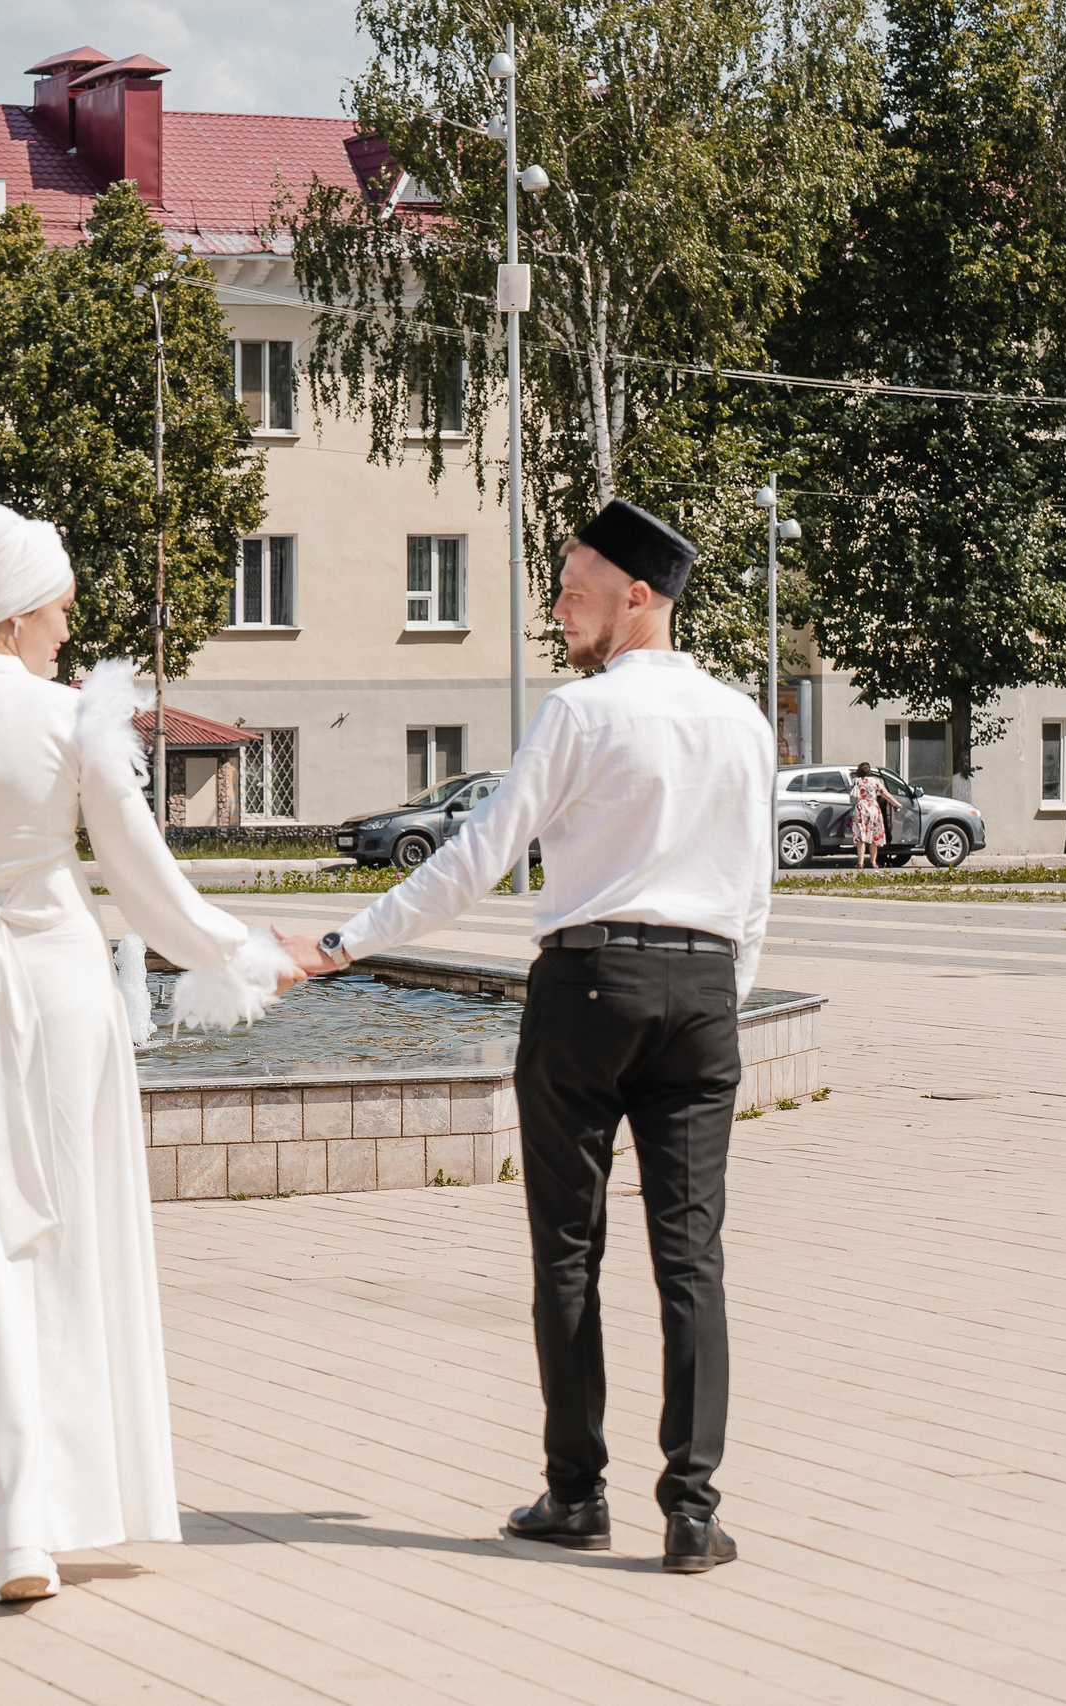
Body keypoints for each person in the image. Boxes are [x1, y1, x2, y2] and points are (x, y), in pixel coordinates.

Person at [278, 499, 773, 1574]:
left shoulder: (579, 712)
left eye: (576, 589)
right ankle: (692, 1510)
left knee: (567, 1249)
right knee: (692, 1257)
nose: (559, 608)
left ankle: (576, 1491)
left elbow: (476, 857)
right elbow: (752, 887)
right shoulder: (744, 717)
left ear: (638, 595)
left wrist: (340, 940)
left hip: (590, 986)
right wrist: (724, 994)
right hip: (702, 994)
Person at [0, 500, 292, 1604]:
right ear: (19, 609)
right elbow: (143, 875)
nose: (68, 631)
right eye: (60, 609)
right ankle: (58, 1503)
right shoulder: (73, 720)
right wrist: (243, 953)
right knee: (68, 1237)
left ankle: (11, 1517)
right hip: (64, 990)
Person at [848, 762, 894, 869]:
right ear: (869, 771)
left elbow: (852, 795)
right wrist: (896, 803)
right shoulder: (875, 781)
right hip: (873, 809)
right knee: (874, 835)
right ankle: (873, 862)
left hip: (861, 809)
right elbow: (885, 794)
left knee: (861, 837)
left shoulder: (856, 782)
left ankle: (860, 862)